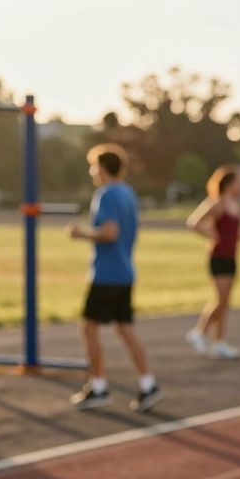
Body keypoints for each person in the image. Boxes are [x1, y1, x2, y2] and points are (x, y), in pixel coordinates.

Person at [67, 144, 162, 412]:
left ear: (102, 167)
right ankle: (148, 383)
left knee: (88, 328)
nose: (91, 171)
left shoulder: (106, 194)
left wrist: (81, 234)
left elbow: (110, 232)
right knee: (125, 328)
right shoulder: (128, 193)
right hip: (125, 270)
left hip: (107, 272)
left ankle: (98, 386)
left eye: (93, 166)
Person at [184, 166, 240, 359]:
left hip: (231, 256)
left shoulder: (237, 206)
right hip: (217, 256)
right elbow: (193, 222)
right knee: (220, 299)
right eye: (238, 182)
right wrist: (210, 234)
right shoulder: (217, 203)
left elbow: (235, 236)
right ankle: (199, 332)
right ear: (228, 184)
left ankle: (219, 342)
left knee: (225, 301)